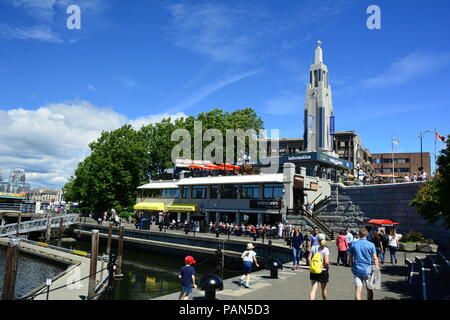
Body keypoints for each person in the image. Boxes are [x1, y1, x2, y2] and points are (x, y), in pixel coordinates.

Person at [348, 227, 380, 300]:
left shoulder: (354, 244)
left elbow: (350, 257)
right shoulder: (371, 245)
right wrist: (376, 268)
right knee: (369, 289)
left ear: (359, 234)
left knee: (358, 290)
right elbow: (375, 258)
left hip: (357, 269)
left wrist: (351, 265)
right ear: (367, 234)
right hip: (368, 269)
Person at [308, 235, 330, 300]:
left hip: (314, 270)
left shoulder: (313, 247)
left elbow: (309, 258)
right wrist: (327, 267)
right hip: (323, 270)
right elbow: (326, 262)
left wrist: (311, 266)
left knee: (313, 289)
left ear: (317, 240)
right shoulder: (325, 249)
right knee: (323, 289)